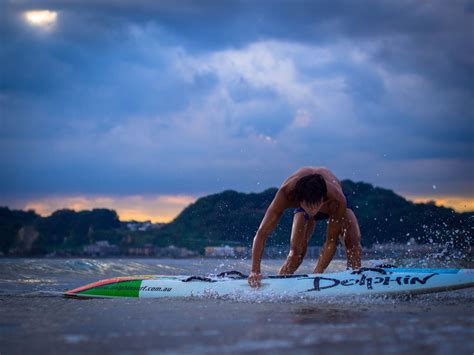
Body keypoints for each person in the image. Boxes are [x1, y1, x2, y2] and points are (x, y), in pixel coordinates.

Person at [248, 167, 362, 288]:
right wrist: (255, 270)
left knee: (353, 244)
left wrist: (316, 275)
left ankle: (355, 276)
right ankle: (282, 279)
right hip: (304, 202)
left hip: (332, 204)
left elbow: (331, 241)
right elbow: (261, 233)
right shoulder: (286, 194)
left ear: (322, 199)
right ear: (299, 201)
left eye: (316, 206)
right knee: (296, 251)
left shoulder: (336, 198)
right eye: (309, 206)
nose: (313, 210)